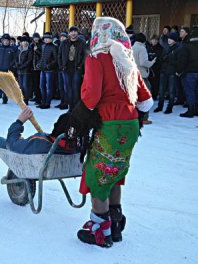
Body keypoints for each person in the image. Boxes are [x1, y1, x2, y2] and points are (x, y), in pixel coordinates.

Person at [77, 17, 153, 248]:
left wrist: (83, 112)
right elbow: (145, 99)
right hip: (131, 123)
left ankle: (101, 232)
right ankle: (115, 224)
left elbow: (91, 96)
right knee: (115, 170)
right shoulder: (126, 59)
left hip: (109, 122)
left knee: (98, 174)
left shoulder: (96, 58)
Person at [0, 107, 74, 188]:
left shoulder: (41, 142)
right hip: (54, 159)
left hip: (36, 158)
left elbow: (12, 145)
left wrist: (19, 122)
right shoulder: (78, 146)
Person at [59, 26, 88, 111]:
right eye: (72, 31)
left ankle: (76, 107)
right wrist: (61, 66)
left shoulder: (82, 43)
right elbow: (59, 55)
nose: (73, 33)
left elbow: (84, 56)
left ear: (77, 33)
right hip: (66, 68)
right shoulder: (64, 43)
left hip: (76, 68)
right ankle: (70, 107)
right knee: (68, 88)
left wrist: (80, 66)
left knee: (75, 88)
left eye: (75, 31)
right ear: (69, 33)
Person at [132, 33, 156, 121]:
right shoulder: (142, 48)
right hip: (142, 75)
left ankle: (134, 115)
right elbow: (143, 62)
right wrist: (152, 62)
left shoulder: (132, 47)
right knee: (146, 97)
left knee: (135, 96)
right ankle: (144, 118)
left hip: (133, 75)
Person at [154, 32, 179, 114]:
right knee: (161, 90)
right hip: (163, 71)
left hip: (172, 72)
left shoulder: (178, 48)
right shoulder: (165, 47)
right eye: (169, 38)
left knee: (171, 91)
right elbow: (161, 58)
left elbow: (179, 61)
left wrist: (170, 60)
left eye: (171, 39)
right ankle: (159, 106)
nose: (169, 40)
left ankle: (169, 108)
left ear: (175, 40)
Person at [0, 33, 16, 104]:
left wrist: (10, 65)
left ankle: (5, 99)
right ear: (2, 40)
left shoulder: (11, 49)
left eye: (7, 40)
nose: (6, 41)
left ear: (9, 41)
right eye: (4, 40)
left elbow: (14, 59)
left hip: (7, 70)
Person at [38, 32, 58, 109]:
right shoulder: (43, 46)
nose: (46, 40)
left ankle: (47, 103)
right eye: (45, 38)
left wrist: (49, 65)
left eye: (48, 38)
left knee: (49, 87)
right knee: (41, 86)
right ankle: (43, 101)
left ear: (51, 39)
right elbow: (42, 57)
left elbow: (56, 59)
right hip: (42, 69)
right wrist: (40, 64)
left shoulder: (53, 47)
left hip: (50, 70)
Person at [15, 36, 33, 105]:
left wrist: (22, 66)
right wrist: (17, 65)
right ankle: (21, 99)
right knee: (20, 85)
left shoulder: (29, 50)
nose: (25, 43)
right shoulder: (18, 49)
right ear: (21, 42)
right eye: (23, 41)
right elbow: (16, 58)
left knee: (25, 86)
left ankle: (26, 99)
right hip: (19, 70)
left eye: (26, 41)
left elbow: (29, 60)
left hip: (26, 71)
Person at [30, 33, 43, 105]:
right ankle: (36, 96)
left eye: (37, 37)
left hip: (39, 67)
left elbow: (43, 55)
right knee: (34, 84)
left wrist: (37, 50)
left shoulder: (41, 44)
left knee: (39, 84)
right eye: (34, 37)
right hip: (33, 67)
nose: (36, 39)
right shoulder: (32, 45)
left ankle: (39, 99)